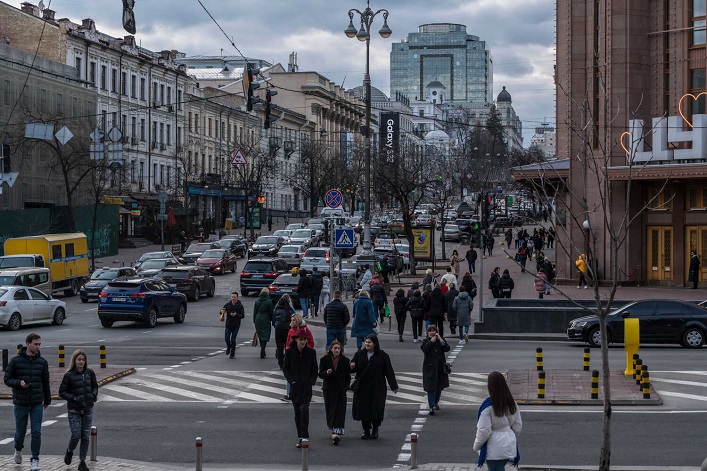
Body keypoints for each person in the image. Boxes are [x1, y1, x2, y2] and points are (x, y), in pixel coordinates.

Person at [4, 333, 51, 470]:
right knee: (20, 432)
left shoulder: (42, 362)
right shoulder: (16, 361)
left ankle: (35, 460)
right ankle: (18, 450)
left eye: (39, 344)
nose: (38, 347)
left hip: (37, 402)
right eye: (36, 344)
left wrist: (47, 399)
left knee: (36, 432)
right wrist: (19, 383)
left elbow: (45, 381)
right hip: (21, 402)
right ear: (28, 344)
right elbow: (7, 379)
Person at [350, 335, 399, 439]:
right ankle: (366, 430)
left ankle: (375, 429)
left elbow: (389, 371)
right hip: (363, 387)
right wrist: (351, 366)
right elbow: (353, 368)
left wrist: (394, 386)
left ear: (375, 344)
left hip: (378, 387)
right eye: (366, 342)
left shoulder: (383, 356)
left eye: (369, 342)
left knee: (377, 408)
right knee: (363, 409)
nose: (367, 344)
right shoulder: (359, 354)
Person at [473, 371, 522, 471]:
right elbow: (518, 426)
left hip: (494, 447)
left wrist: (477, 446)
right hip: (509, 443)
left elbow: (484, 431)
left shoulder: (488, 406)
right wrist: (510, 438)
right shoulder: (512, 403)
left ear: (490, 386)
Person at [59, 350, 98, 471]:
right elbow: (62, 391)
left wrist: (93, 396)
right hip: (74, 410)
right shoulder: (69, 375)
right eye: (79, 359)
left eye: (83, 359)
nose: (81, 362)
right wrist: (74, 399)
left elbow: (95, 386)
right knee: (76, 435)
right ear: (74, 361)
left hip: (87, 409)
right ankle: (70, 451)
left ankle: (82, 461)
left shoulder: (90, 373)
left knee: (85, 436)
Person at [282, 327, 318, 449]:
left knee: (304, 411)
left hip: (306, 388)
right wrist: (291, 380)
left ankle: (305, 437)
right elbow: (285, 368)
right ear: (296, 340)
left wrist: (311, 381)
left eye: (305, 340)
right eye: (301, 339)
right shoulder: (290, 352)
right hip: (295, 388)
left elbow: (314, 369)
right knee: (297, 414)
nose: (303, 342)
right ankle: (300, 436)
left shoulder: (311, 353)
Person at [318, 340, 351, 445]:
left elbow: (348, 376)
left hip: (341, 389)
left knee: (340, 410)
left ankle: (336, 432)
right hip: (329, 389)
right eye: (335, 348)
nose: (337, 350)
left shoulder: (345, 361)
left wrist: (345, 387)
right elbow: (320, 374)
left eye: (339, 348)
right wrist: (326, 373)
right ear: (331, 349)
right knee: (331, 409)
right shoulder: (324, 360)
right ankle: (333, 428)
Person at [420, 324, 450, 415]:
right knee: (431, 387)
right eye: (430, 331)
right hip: (430, 367)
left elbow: (447, 348)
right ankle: (431, 406)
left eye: (434, 331)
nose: (432, 332)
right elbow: (424, 349)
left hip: (440, 367)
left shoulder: (440, 340)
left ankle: (436, 401)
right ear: (428, 332)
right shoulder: (426, 341)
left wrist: (440, 339)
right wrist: (431, 342)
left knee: (439, 387)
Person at [273, 294, 297, 368]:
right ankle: (287, 362)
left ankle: (280, 363)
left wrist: (276, 325)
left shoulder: (276, 309)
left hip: (278, 329)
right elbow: (294, 317)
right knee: (287, 346)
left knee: (279, 347)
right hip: (287, 329)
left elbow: (273, 320)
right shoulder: (289, 310)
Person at [222, 291, 245, 359]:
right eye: (232, 297)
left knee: (233, 339)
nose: (233, 298)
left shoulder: (240, 306)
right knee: (226, 338)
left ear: (237, 298)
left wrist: (236, 314)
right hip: (228, 324)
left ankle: (232, 354)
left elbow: (242, 315)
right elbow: (222, 310)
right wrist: (221, 312)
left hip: (236, 325)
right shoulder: (228, 304)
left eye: (234, 297)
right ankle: (229, 347)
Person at [253, 288, 274, 359]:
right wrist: (271, 319)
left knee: (260, 334)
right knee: (265, 334)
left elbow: (255, 311)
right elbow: (271, 311)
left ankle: (262, 349)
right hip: (266, 318)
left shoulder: (257, 300)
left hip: (258, 318)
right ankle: (263, 350)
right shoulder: (269, 301)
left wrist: (254, 320)